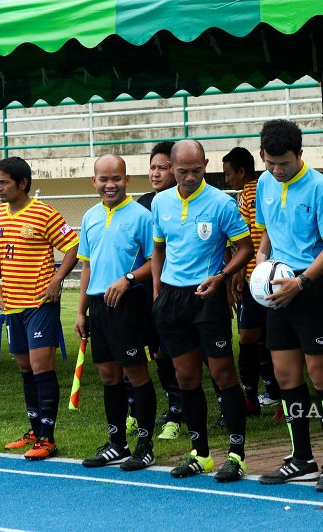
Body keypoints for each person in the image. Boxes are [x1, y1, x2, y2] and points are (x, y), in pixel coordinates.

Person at [254, 119, 323, 492]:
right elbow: (267, 229)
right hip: (276, 289)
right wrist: (263, 257)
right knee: (286, 377)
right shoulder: (264, 183)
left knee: (322, 376)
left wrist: (301, 282)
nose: (277, 170)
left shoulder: (320, 188)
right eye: (270, 163)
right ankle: (302, 458)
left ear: (300, 154)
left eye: (285, 163)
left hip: (310, 288)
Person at [151, 139, 254, 482]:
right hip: (172, 299)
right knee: (185, 377)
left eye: (197, 170)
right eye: (183, 171)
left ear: (206, 165)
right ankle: (201, 454)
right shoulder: (161, 202)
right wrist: (158, 291)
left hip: (208, 297)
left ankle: (237, 455)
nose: (191, 176)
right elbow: (158, 248)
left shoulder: (221, 203)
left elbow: (245, 247)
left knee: (223, 374)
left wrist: (222, 277)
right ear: (171, 168)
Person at [0, 156, 79, 461]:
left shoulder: (44, 213)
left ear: (22, 183)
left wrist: (56, 280)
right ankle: (34, 430)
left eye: (4, 182)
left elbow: (73, 246)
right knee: (25, 368)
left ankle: (48, 438)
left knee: (42, 367)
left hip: (39, 304)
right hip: (12, 304)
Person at [74, 155, 158, 471]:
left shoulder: (142, 217)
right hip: (98, 307)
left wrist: (129, 278)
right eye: (104, 179)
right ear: (94, 181)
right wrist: (81, 311)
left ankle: (145, 446)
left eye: (116, 178)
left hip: (129, 305)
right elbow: (87, 267)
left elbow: (156, 262)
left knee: (136, 374)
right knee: (108, 375)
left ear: (127, 179)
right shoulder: (90, 217)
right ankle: (117, 444)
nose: (110, 185)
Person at [222, 146, 282, 415]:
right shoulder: (267, 187)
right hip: (268, 274)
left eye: (228, 174)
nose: (226, 179)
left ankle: (258, 397)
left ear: (242, 171)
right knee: (265, 337)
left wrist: (238, 273)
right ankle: (272, 394)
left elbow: (243, 238)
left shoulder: (249, 192)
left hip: (257, 277)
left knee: (251, 337)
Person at [137, 141, 184, 441]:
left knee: (178, 352)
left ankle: (180, 413)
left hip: (179, 293)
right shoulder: (143, 204)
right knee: (157, 352)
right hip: (148, 293)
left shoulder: (185, 202)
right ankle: (171, 408)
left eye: (162, 168)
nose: (155, 173)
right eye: (152, 167)